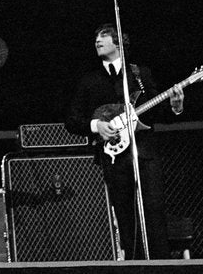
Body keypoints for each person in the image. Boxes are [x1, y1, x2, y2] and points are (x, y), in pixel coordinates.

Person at [65, 24, 183, 260]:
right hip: (114, 157)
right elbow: (71, 120)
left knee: (153, 209)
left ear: (119, 42)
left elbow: (157, 113)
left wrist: (175, 106)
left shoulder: (139, 74)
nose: (97, 40)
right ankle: (133, 263)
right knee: (125, 213)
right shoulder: (90, 81)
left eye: (103, 36)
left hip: (144, 152)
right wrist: (96, 126)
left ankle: (162, 263)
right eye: (96, 37)